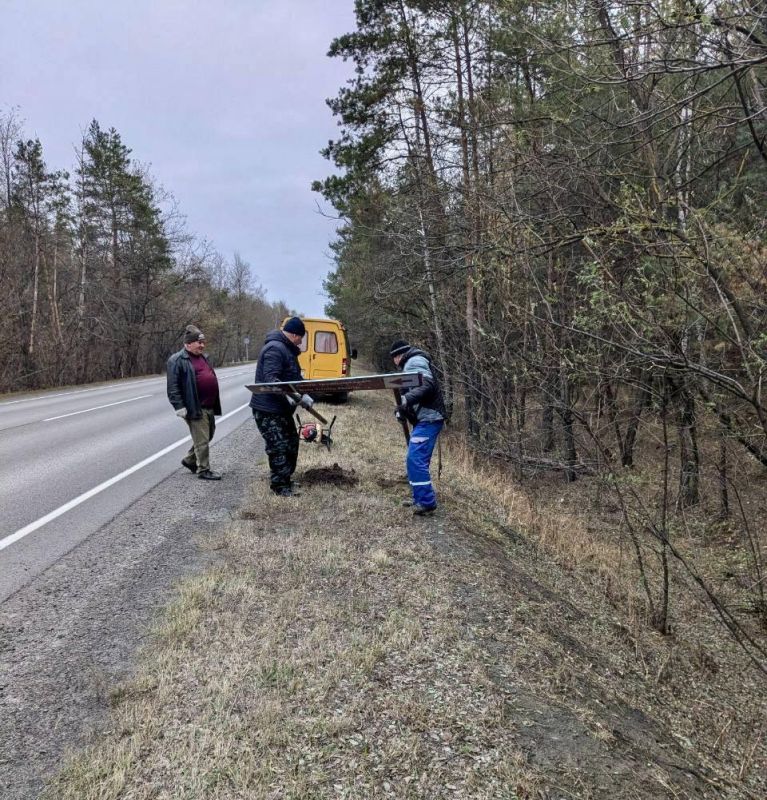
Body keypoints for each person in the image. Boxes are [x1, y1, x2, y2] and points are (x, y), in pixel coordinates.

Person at [250, 316, 315, 496]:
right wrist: (293, 397)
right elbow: (272, 380)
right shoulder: (274, 349)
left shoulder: (287, 350)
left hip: (281, 410)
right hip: (268, 410)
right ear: (294, 335)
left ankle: (286, 478)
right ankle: (279, 486)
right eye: (301, 338)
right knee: (278, 447)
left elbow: (294, 378)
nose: (301, 342)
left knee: (291, 443)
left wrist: (305, 392)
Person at [390, 339, 446, 516]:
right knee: (415, 459)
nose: (394, 362)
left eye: (393, 358)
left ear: (398, 356)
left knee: (415, 459)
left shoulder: (415, 361)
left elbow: (427, 386)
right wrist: (403, 410)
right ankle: (419, 498)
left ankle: (426, 502)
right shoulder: (413, 363)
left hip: (429, 419)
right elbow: (414, 394)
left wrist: (405, 401)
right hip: (425, 418)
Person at [166, 324, 222, 480]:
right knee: (202, 440)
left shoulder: (203, 357)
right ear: (188, 343)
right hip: (193, 406)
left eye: (203, 342)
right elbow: (173, 386)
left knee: (208, 435)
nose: (202, 345)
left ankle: (190, 460)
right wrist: (179, 406)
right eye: (199, 342)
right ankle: (204, 470)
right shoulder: (176, 360)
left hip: (208, 405)